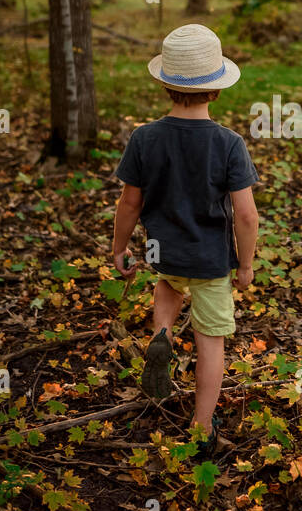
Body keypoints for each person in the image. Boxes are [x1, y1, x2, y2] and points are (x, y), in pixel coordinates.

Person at [111, 23, 259, 459]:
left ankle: (162, 332)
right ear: (216, 91)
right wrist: (246, 264)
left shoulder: (144, 138)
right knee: (211, 341)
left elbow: (129, 203)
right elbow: (246, 215)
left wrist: (120, 248)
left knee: (170, 284)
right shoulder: (229, 144)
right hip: (211, 260)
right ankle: (201, 426)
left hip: (164, 251)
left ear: (164, 85)